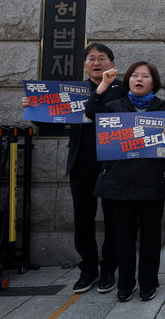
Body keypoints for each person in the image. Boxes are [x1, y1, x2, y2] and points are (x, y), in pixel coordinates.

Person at [22, 43, 121, 294]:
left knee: (114, 218)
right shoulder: (73, 92)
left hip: (113, 162)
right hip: (82, 162)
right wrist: (34, 108)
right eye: (91, 59)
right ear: (84, 65)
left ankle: (109, 268)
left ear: (111, 63)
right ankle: (88, 268)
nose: (96, 63)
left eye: (102, 58)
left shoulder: (121, 90)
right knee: (83, 218)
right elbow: (54, 124)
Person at [85, 61, 165, 302]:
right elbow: (91, 112)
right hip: (118, 184)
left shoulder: (162, 108)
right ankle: (125, 284)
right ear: (128, 81)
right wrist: (104, 84)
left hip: (151, 183)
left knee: (151, 238)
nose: (139, 79)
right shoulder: (114, 106)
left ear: (154, 83)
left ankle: (148, 283)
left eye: (145, 76)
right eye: (134, 75)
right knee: (123, 238)